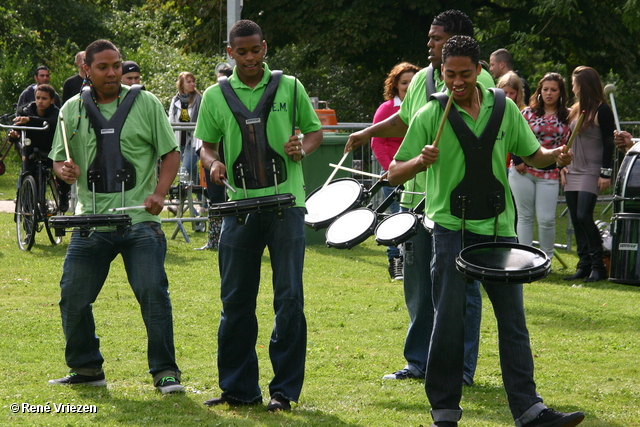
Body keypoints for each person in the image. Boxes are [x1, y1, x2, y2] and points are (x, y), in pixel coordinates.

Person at [389, 35, 584, 427]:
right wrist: (419, 161)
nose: (456, 83)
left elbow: (534, 155)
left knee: (513, 322)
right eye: (449, 75)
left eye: (464, 74)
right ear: (441, 73)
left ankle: (530, 411)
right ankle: (444, 413)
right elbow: (394, 171)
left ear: (479, 70)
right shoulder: (430, 113)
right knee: (448, 323)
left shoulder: (504, 108)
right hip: (449, 232)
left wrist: (555, 155)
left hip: (498, 231)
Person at [346, 9, 490, 385]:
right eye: (429, 38)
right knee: (417, 282)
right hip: (415, 197)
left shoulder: (478, 80)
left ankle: (460, 368)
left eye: (436, 37)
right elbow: (407, 122)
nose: (429, 44)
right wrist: (366, 133)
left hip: (455, 203)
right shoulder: (427, 77)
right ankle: (419, 361)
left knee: (461, 288)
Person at [195, 20, 323, 411]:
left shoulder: (290, 86)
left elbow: (314, 132)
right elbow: (207, 147)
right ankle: (239, 389)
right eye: (242, 52)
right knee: (235, 300)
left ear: (265, 48)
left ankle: (283, 392)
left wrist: (303, 146)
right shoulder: (215, 96)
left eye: (256, 50)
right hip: (239, 210)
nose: (250, 58)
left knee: (288, 300)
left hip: (287, 205)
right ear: (230, 53)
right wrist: (213, 164)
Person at [47, 39, 184, 394]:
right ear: (85, 71)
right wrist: (63, 170)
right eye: (104, 67)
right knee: (72, 296)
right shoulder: (70, 110)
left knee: (153, 292)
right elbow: (58, 160)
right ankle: (86, 366)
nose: (113, 73)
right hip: (90, 222)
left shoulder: (147, 103)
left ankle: (165, 372)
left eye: (117, 65)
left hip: (140, 222)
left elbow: (171, 154)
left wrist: (159, 193)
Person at [561, 66, 615, 282]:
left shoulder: (603, 110)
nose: (572, 87)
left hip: (592, 169)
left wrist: (605, 173)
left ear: (582, 85)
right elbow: (569, 139)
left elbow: (609, 142)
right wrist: (562, 165)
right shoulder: (575, 109)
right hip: (573, 168)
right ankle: (583, 264)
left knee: (584, 215)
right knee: (575, 218)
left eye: (574, 83)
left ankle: (598, 265)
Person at [509, 73, 571, 260]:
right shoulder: (527, 112)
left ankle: (547, 260)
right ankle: (524, 259)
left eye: (553, 90)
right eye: (545, 89)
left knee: (546, 220)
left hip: (550, 172)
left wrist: (563, 166)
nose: (549, 93)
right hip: (523, 171)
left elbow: (569, 143)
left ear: (560, 93)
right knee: (525, 216)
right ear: (539, 91)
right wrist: (518, 161)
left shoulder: (567, 116)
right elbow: (514, 137)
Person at [371, 61, 420, 280]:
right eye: (404, 82)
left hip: (418, 174)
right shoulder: (387, 109)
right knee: (393, 218)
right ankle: (395, 262)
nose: (408, 86)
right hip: (393, 175)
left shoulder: (424, 107)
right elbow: (377, 142)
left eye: (412, 82)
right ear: (395, 85)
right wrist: (390, 170)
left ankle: (414, 262)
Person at [10, 84, 71, 212]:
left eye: (44, 98)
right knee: (27, 174)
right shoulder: (25, 111)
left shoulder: (57, 113)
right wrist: (14, 135)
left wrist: (29, 120)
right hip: (31, 150)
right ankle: (26, 207)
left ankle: (63, 196)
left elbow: (51, 122)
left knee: (62, 169)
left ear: (52, 100)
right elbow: (17, 129)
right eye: (38, 98)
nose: (40, 101)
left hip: (51, 150)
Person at [196, 66, 233, 251]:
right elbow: (205, 143)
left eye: (223, 81)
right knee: (215, 200)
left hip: (230, 159)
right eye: (217, 80)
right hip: (212, 160)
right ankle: (213, 241)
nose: (219, 85)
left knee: (229, 201)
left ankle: (228, 240)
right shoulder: (211, 99)